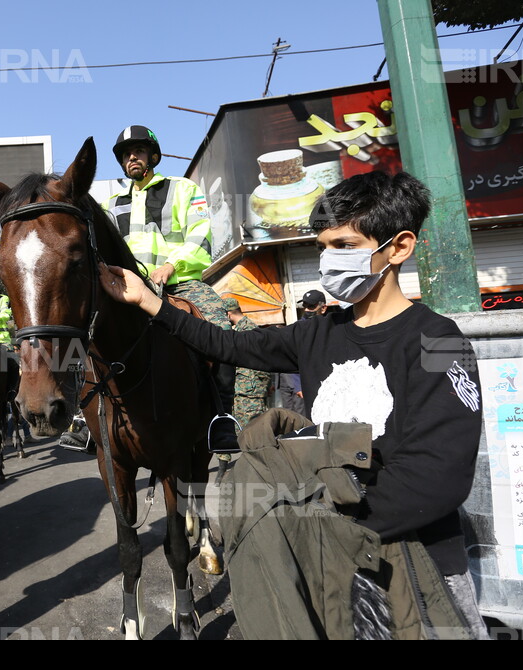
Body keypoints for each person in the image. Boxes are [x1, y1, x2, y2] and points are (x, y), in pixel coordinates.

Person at [99, 171, 487, 638]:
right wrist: (148, 301)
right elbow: (226, 344)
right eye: (322, 246)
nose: (328, 261)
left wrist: (307, 520)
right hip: (330, 565)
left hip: (416, 569)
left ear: (399, 247)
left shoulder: (441, 341)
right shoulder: (317, 331)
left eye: (344, 246)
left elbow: (437, 480)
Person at [103, 125, 238, 451]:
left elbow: (200, 233)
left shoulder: (183, 189)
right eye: (126, 154)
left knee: (220, 329)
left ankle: (222, 420)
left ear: (153, 155)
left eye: (138, 151)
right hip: (128, 289)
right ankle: (85, 419)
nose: (131, 157)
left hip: (181, 283)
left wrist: (171, 265)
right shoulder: (113, 203)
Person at [216, 298, 272, 481]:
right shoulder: (238, 329)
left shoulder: (248, 329)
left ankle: (262, 470)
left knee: (252, 429)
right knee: (231, 426)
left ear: (228, 314)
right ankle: (224, 468)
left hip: (250, 389)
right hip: (238, 387)